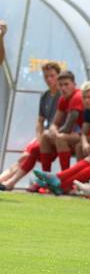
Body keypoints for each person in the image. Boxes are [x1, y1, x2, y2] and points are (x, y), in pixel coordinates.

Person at [0, 61, 61, 191]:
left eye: (52, 76)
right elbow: (40, 121)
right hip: (45, 136)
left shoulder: (62, 95)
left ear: (58, 76)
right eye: (46, 76)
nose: (49, 79)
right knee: (26, 154)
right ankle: (4, 180)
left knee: (29, 153)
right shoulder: (45, 95)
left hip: (56, 136)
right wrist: (39, 137)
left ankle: (10, 182)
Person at [38, 71, 84, 171]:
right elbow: (55, 123)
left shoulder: (78, 96)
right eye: (60, 85)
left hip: (86, 135)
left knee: (60, 138)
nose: (63, 88)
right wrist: (53, 130)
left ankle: (64, 178)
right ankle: (45, 178)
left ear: (74, 84)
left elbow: (68, 127)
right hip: (75, 135)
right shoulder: (63, 99)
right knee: (45, 136)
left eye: (66, 84)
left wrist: (55, 133)